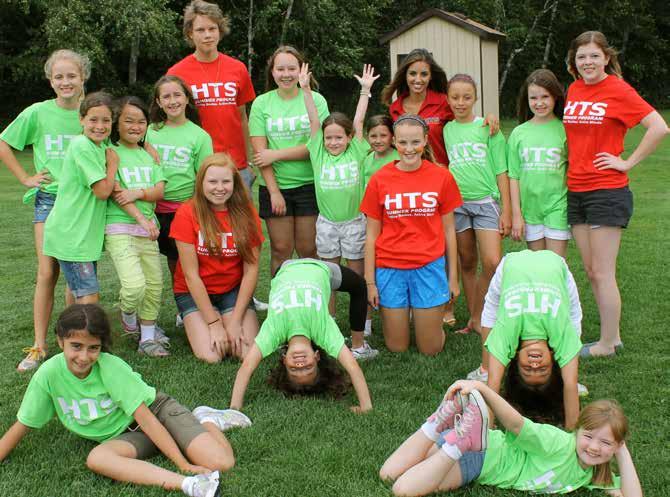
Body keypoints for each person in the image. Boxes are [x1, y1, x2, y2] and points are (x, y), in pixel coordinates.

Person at [0, 304, 251, 497]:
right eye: (76, 346)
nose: (84, 357)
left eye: (93, 348)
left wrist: (183, 463)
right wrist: (185, 473)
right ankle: (189, 485)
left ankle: (207, 420)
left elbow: (147, 419)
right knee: (97, 459)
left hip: (157, 413)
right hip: (128, 436)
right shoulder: (48, 375)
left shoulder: (110, 368)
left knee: (221, 463)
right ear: (60, 341)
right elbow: (22, 425)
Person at [563, 31, 669, 358]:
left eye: (594, 55)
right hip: (576, 189)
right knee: (591, 270)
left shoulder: (618, 90)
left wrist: (626, 162)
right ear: (574, 61)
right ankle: (612, 336)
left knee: (603, 271)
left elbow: (659, 127)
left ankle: (608, 343)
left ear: (606, 58)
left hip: (606, 191)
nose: (588, 62)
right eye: (582, 57)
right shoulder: (574, 89)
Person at [382, 49, 499, 328]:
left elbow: (464, 119)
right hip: (410, 181)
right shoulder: (396, 107)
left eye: (424, 73)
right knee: (427, 241)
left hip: (443, 182)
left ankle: (453, 305)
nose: (418, 79)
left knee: (449, 245)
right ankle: (426, 300)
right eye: (412, 73)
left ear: (431, 76)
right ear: (404, 76)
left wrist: (489, 117)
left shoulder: (442, 101)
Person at [380, 380, 642, 496]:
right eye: (589, 436)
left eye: (606, 442)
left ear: (617, 445)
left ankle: (439, 423)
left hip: (473, 440)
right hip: (482, 458)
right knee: (402, 489)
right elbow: (517, 425)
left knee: (387, 474)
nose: (594, 447)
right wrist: (481, 388)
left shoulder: (592, 474)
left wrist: (622, 450)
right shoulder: (557, 443)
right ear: (576, 431)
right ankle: (460, 442)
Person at [0, 49, 89, 372]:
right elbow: (4, 143)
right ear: (50, 81)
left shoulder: (90, 113)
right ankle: (39, 346)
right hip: (49, 200)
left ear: (83, 78)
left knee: (75, 276)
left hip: (83, 202)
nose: (66, 82)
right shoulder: (38, 112)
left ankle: (71, 339)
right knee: (47, 271)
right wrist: (26, 178)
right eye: (59, 77)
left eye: (72, 76)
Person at [361, 115, 462, 356]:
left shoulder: (442, 176)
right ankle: (413, 311)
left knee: (430, 349)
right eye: (403, 142)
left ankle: (428, 317)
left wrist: (452, 278)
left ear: (425, 141)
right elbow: (371, 236)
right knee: (397, 347)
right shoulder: (379, 179)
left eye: (415, 142)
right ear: (394, 142)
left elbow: (449, 231)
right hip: (390, 267)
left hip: (428, 266)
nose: (409, 149)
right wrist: (370, 283)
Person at [230, 259, 374, 412]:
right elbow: (352, 366)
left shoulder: (273, 332)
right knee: (360, 286)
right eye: (308, 368)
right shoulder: (323, 331)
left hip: (286, 267)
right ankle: (359, 344)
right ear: (316, 356)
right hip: (319, 267)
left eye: (294, 370)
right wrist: (366, 406)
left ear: (284, 360)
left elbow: (246, 367)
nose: (300, 365)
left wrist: (234, 409)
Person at [301, 62, 378, 335]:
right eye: (329, 138)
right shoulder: (318, 152)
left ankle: (364, 322)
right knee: (328, 275)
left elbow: (359, 121)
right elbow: (314, 121)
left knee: (357, 275)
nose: (333, 142)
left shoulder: (356, 151)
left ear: (349, 138)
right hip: (327, 224)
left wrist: (365, 91)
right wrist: (306, 89)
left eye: (339, 137)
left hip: (355, 222)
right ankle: (330, 320)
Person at [473, 249, 583, 429]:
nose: (535, 365)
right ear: (553, 361)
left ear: (516, 361)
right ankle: (566, 363)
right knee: (574, 327)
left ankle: (484, 367)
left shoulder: (506, 336)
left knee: (491, 317)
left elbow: (492, 386)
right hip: (556, 265)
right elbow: (571, 384)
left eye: (527, 369)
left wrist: (487, 433)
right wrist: (572, 435)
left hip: (510, 265)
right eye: (543, 370)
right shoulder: (562, 336)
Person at [170, 153, 262, 363]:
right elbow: (191, 275)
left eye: (226, 181)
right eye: (212, 181)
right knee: (212, 356)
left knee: (245, 352)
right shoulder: (187, 213)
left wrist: (235, 321)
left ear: (235, 183)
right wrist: (214, 324)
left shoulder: (246, 213)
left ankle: (229, 315)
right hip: (193, 291)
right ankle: (201, 317)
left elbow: (251, 270)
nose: (219, 188)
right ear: (201, 182)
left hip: (232, 290)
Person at [442, 74, 511, 346]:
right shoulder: (446, 129)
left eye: (467, 97)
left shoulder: (487, 127)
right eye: (455, 97)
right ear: (448, 99)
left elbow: (501, 170)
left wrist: (506, 210)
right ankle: (474, 318)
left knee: (492, 262)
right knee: (467, 262)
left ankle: (484, 312)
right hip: (457, 205)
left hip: (485, 202)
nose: (460, 102)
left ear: (476, 99)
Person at [249, 46, 329, 275]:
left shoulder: (316, 100)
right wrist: (274, 192)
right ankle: (280, 296)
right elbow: (260, 154)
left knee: (308, 249)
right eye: (280, 69)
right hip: (275, 186)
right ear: (272, 72)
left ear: (302, 70)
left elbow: (318, 146)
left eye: (292, 68)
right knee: (281, 250)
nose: (286, 74)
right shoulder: (261, 103)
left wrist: (276, 154)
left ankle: (312, 294)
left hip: (309, 185)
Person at [167, 0, 256, 191]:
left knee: (240, 212)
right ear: (190, 33)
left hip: (236, 165)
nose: (207, 35)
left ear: (219, 31)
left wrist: (249, 162)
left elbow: (242, 117)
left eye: (212, 29)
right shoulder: (177, 73)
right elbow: (172, 124)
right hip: (197, 165)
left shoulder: (238, 69)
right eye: (200, 30)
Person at [105, 96, 168, 357]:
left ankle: (148, 339)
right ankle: (128, 314)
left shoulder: (148, 155)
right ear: (116, 123)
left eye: (141, 122)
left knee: (154, 285)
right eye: (128, 121)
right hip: (120, 228)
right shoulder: (110, 152)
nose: (135, 126)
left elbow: (159, 190)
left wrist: (139, 193)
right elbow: (117, 193)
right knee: (134, 286)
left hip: (148, 230)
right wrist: (141, 218)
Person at [42, 91, 118, 305]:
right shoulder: (82, 145)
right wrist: (112, 167)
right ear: (81, 119)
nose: (100, 126)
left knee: (77, 291)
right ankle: (83, 328)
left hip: (83, 237)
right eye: (93, 120)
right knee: (88, 296)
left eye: (106, 120)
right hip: (73, 235)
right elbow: (102, 191)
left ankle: (71, 325)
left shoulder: (100, 146)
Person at [146, 75, 213, 288]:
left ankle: (191, 296)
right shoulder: (150, 131)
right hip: (151, 208)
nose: (172, 101)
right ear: (158, 102)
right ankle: (180, 294)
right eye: (166, 97)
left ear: (187, 99)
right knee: (166, 258)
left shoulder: (200, 136)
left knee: (186, 259)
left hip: (183, 208)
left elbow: (204, 177)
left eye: (177, 95)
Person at [508, 69, 570, 257]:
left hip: (558, 207)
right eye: (533, 98)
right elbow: (514, 176)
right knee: (538, 266)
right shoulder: (519, 133)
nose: (539, 103)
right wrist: (517, 215)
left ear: (555, 97)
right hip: (530, 211)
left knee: (554, 265)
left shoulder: (565, 129)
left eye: (545, 97)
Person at [362, 115, 399, 188]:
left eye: (383, 135)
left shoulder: (399, 159)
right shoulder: (366, 159)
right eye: (373, 136)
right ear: (367, 136)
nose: (378, 141)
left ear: (392, 136)